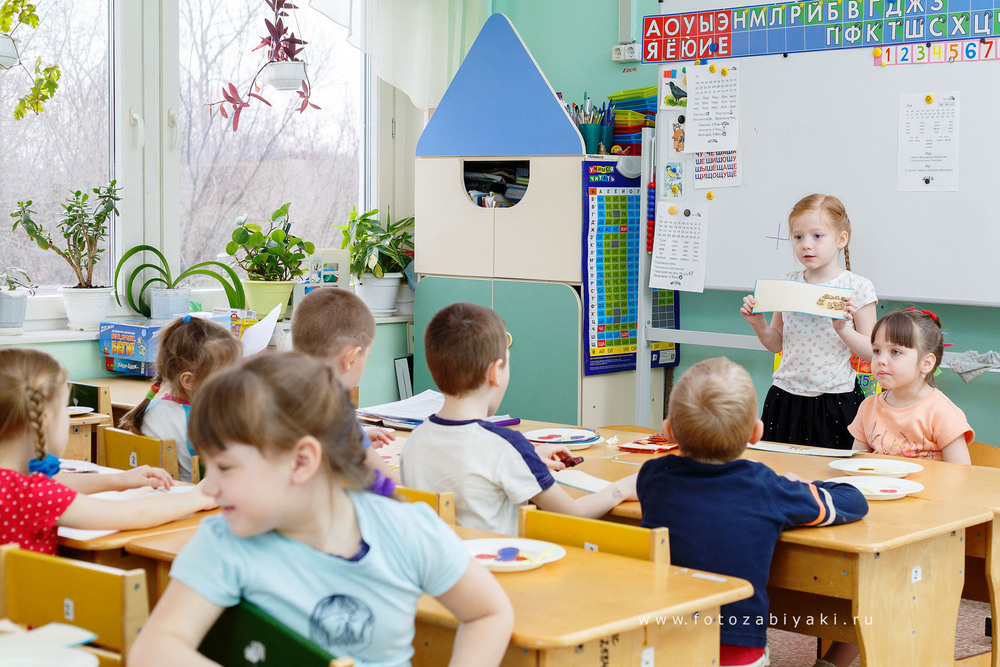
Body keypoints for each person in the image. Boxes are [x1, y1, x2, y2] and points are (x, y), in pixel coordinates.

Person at [129, 353, 513, 666]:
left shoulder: (405, 529)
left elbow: (489, 613)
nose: (207, 487)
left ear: (301, 462)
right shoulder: (223, 545)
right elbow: (154, 650)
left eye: (225, 467)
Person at [637, 357, 868, 667]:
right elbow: (853, 501)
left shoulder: (652, 476)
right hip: (737, 654)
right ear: (756, 433)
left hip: (658, 645)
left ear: (668, 431)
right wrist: (801, 484)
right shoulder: (766, 486)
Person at [401, 302, 637, 536]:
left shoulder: (415, 440)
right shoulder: (506, 446)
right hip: (496, 569)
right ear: (495, 372)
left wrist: (527, 458)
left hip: (433, 570)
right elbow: (573, 513)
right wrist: (623, 488)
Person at [0, 348, 217, 555]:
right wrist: (200, 496)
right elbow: (137, 514)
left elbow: (53, 483)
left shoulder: (20, 486)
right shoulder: (31, 494)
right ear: (44, 420)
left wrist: (119, 480)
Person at [741, 193, 877, 449]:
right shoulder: (788, 283)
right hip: (785, 397)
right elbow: (776, 343)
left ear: (841, 239)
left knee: (831, 478)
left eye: (817, 236)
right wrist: (758, 324)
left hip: (835, 400)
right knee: (782, 475)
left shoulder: (858, 287)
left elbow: (872, 352)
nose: (806, 245)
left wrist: (842, 329)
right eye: (798, 237)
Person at [291, 287, 399, 484]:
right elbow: (389, 481)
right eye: (366, 357)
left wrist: (361, 437)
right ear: (350, 358)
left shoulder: (280, 398)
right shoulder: (339, 415)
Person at [120, 315, 242, 481]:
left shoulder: (151, 408)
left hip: (161, 496)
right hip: (195, 498)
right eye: (225, 376)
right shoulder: (203, 421)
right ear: (189, 381)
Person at [850, 309, 972, 463]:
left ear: (926, 363)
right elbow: (855, 464)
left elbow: (960, 474)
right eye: (877, 350)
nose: (881, 360)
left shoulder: (942, 412)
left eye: (895, 351)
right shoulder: (868, 407)